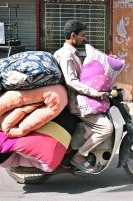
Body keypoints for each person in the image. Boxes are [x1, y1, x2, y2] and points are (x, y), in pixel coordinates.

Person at [54, 19, 113, 173]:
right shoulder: (66, 55)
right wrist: (95, 93)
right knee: (106, 128)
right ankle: (79, 156)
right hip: (76, 103)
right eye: (82, 35)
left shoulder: (72, 53)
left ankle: (80, 148)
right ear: (73, 35)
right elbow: (72, 81)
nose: (84, 39)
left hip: (81, 99)